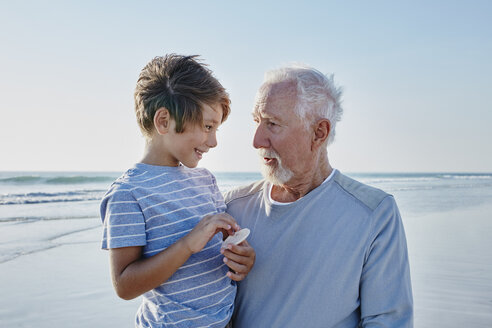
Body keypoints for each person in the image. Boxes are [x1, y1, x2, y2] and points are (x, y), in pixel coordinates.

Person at [224, 64, 413, 327]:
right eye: (257, 121)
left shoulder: (374, 213)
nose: (257, 140)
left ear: (319, 133)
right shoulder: (231, 208)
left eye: (272, 124)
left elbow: (389, 321)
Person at [100, 54, 255, 328]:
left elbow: (217, 256)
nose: (214, 141)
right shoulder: (128, 194)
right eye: (208, 127)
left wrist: (240, 258)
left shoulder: (206, 181)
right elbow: (125, 285)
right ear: (164, 121)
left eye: (216, 129)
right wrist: (187, 245)